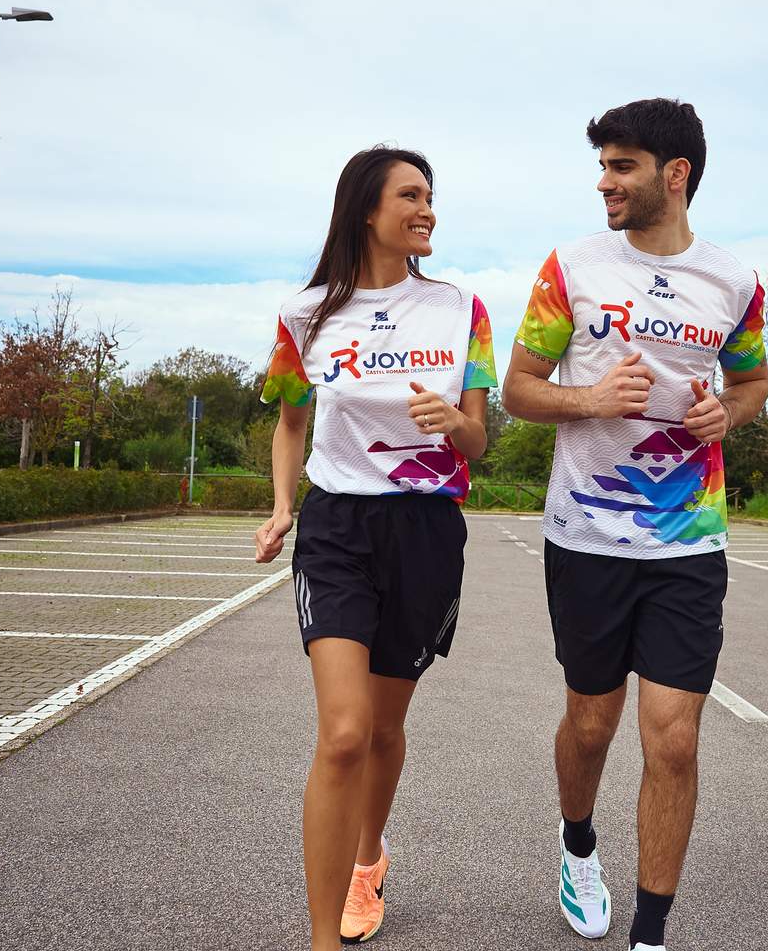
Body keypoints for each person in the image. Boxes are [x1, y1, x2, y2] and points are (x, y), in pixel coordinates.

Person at [502, 99, 768, 951]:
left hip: (689, 539)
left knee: (676, 739)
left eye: (622, 167)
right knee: (591, 721)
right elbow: (516, 388)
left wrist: (726, 413)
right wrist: (587, 399)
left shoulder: (733, 282)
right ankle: (578, 844)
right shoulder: (571, 268)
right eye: (604, 166)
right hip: (585, 538)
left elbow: (753, 384)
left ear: (674, 175)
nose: (604, 182)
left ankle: (650, 937)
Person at [254, 145, 498, 951]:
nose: (427, 209)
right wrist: (283, 506)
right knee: (345, 731)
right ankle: (324, 937)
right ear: (367, 208)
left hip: (425, 528)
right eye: (411, 195)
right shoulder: (306, 313)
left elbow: (481, 441)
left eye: (431, 196)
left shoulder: (464, 307)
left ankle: (368, 858)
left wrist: (456, 426)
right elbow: (291, 421)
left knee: (386, 731)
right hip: (337, 529)